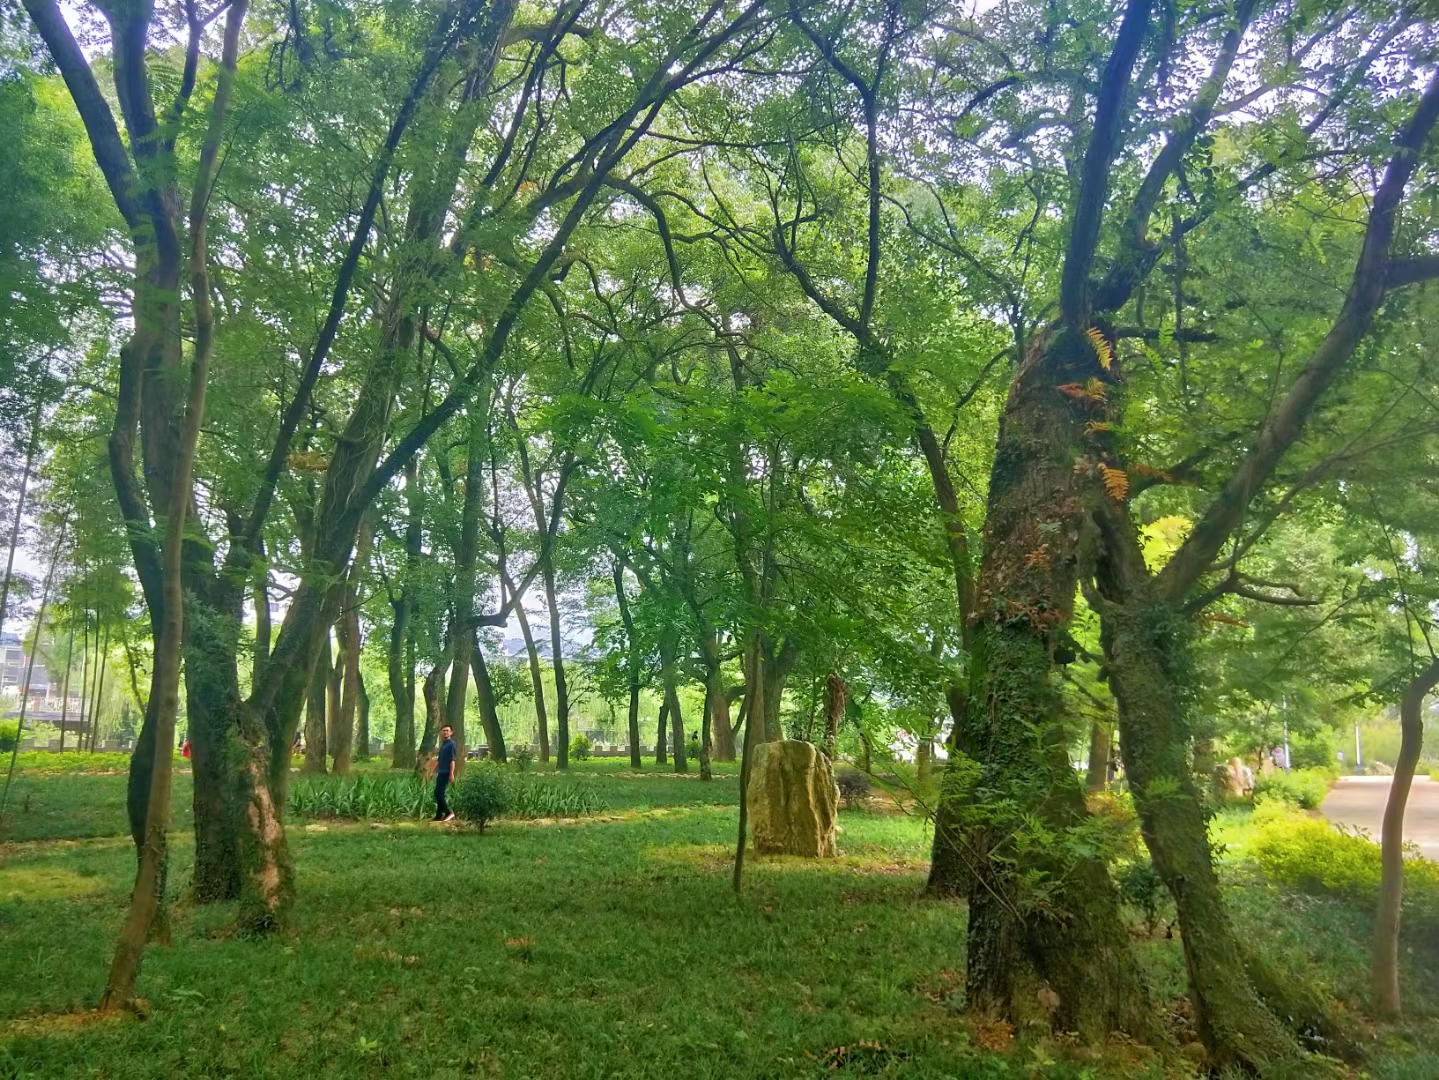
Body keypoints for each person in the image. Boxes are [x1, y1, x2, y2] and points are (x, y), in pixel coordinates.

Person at [433, 725, 457, 822]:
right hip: (441, 772)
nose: (445, 733)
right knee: (438, 793)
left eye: (447, 731)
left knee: (439, 793)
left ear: (451, 732)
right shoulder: (443, 745)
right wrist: (433, 771)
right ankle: (438, 816)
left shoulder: (452, 744)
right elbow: (439, 760)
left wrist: (451, 773)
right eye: (443, 731)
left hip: (446, 772)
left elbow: (452, 760)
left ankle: (448, 812)